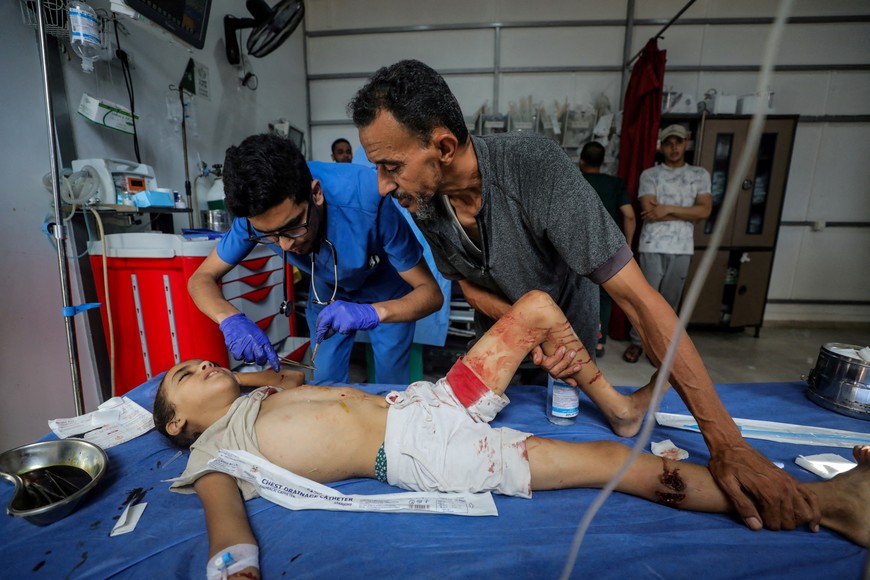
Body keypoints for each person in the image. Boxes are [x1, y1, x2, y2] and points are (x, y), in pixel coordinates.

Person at [347, 59, 820, 533]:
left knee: (570, 426)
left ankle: (620, 409)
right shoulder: (426, 203)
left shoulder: (534, 170)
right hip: (510, 335)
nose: (384, 186)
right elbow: (464, 282)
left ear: (444, 147)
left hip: (567, 331)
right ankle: (621, 407)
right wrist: (525, 330)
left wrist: (727, 443)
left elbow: (638, 300)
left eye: (392, 167)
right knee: (500, 445)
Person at [154, 291, 870, 579]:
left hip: (429, 403)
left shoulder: (265, 391)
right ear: (180, 425)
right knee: (609, 465)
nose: (202, 360)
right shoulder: (218, 450)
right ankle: (829, 505)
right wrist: (237, 572)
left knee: (533, 309)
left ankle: (619, 402)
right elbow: (226, 528)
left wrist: (255, 372)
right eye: (186, 373)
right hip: (425, 452)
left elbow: (265, 374)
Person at [188, 133, 443, 384]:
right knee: (324, 380)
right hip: (327, 292)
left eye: (292, 227)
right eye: (270, 236)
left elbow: (431, 294)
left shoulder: (368, 197)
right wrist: (230, 318)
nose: (286, 245)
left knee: (390, 384)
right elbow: (201, 278)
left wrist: (375, 312)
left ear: (316, 194)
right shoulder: (254, 216)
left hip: (387, 291)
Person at [622, 124, 712, 364]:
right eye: (669, 143)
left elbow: (704, 210)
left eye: (679, 142)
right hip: (653, 243)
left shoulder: (699, 175)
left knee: (670, 302)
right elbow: (649, 209)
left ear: (686, 143)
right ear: (661, 146)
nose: (674, 148)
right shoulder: (651, 175)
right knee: (646, 299)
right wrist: (687, 212)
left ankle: (662, 348)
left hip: (682, 246)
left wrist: (667, 208)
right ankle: (637, 342)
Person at [579, 141, 636, 358]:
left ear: (581, 161)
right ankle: (599, 342)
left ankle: (574, 340)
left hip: (577, 245)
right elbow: (629, 214)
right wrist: (627, 243)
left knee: (578, 295)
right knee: (604, 295)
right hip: (608, 248)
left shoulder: (575, 180)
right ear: (602, 162)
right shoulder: (615, 184)